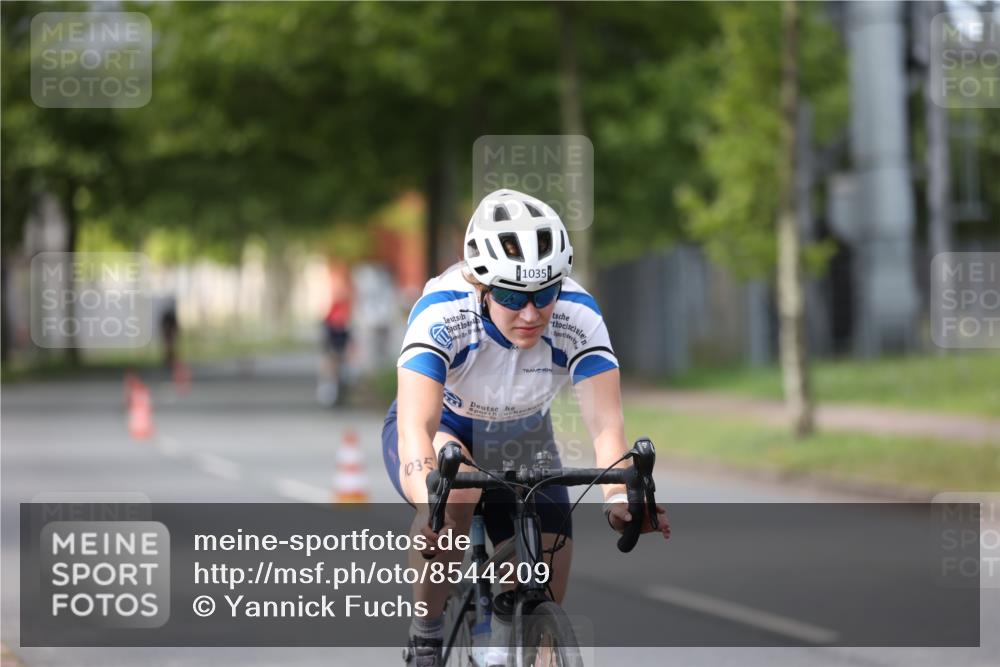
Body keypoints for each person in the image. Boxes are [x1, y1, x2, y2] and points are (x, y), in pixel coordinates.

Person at [382, 189, 670, 666]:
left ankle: (509, 641)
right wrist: (426, 504)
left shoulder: (578, 315)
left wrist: (620, 499)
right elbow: (418, 423)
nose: (532, 313)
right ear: (482, 284)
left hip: (522, 435)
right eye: (514, 296)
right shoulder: (442, 313)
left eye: (545, 293)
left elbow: (605, 425)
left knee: (547, 576)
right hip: (448, 426)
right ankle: (427, 634)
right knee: (452, 502)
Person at [317, 261, 353, 407]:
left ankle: (342, 386)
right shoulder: (333, 302)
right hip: (332, 330)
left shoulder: (348, 301)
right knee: (330, 359)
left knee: (343, 360)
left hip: (343, 331)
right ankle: (328, 387)